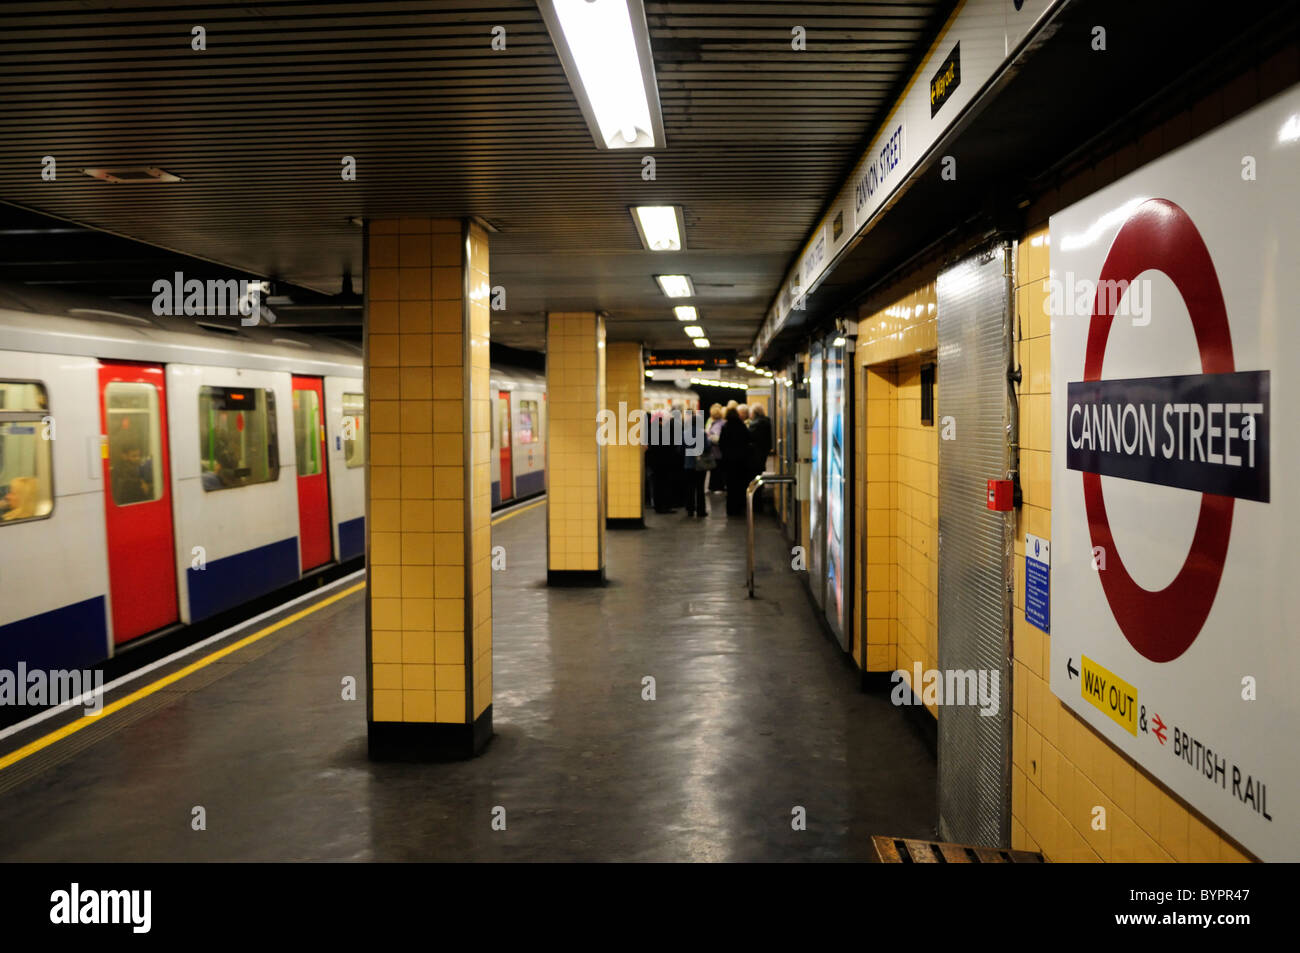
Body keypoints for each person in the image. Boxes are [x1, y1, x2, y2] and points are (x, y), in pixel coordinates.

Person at [718, 407, 752, 517]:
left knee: (730, 486)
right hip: (742, 461)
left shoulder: (725, 427)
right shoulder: (742, 426)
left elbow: (721, 444)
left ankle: (730, 509)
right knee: (741, 485)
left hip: (728, 462)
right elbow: (748, 440)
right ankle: (740, 507)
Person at [681, 408, 710, 517]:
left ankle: (690, 509)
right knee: (700, 487)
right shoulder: (702, 434)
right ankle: (701, 510)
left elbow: (681, 449)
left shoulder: (684, 433)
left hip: (688, 464)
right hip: (700, 464)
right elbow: (707, 447)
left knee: (689, 487)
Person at [747, 403, 773, 515]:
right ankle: (758, 503)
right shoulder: (767, 422)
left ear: (754, 413)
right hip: (762, 455)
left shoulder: (755, 425)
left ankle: (756, 504)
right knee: (759, 475)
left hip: (754, 457)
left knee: (754, 479)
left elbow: (750, 438)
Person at [110, 437, 152, 504]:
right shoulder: (124, 473)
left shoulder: (129, 468)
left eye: (139, 455)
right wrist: (143, 486)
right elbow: (140, 493)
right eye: (134, 456)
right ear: (124, 456)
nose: (138, 458)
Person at [705, 403, 725, 494]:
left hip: (717, 451)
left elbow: (717, 438)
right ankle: (713, 487)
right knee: (715, 469)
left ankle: (717, 487)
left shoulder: (718, 424)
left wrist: (709, 436)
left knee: (717, 469)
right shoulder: (720, 423)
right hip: (716, 452)